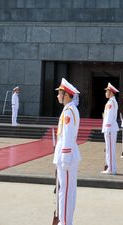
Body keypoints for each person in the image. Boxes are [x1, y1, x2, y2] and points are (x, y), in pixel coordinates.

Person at [53, 78, 81, 225]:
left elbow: (69, 136)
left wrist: (64, 158)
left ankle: (64, 222)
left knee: (65, 192)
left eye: (60, 93)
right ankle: (65, 221)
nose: (58, 95)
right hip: (67, 155)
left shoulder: (69, 111)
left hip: (67, 157)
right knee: (67, 191)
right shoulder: (68, 110)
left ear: (66, 95)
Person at [101, 82, 119, 175]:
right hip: (110, 128)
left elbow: (110, 117)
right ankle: (111, 167)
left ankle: (111, 168)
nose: (105, 93)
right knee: (109, 149)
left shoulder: (111, 102)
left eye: (107, 91)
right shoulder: (111, 102)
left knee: (110, 149)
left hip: (110, 129)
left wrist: (107, 128)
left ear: (111, 92)